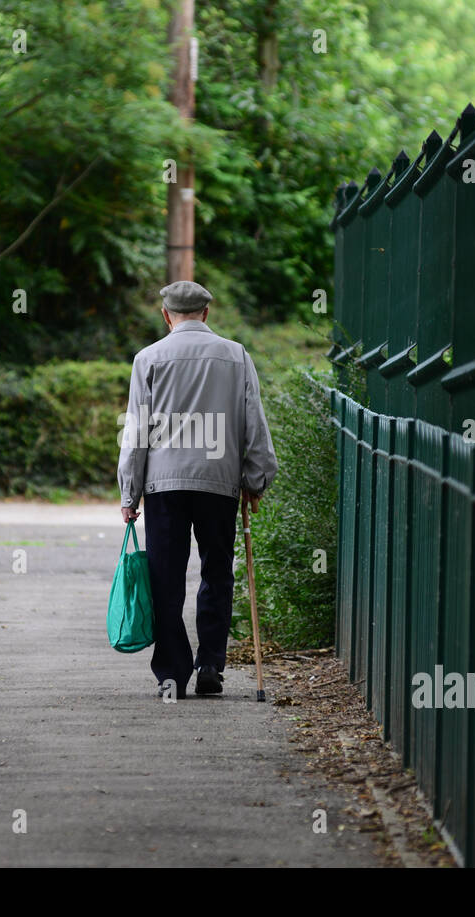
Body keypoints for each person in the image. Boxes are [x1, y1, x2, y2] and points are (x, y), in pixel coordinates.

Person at [117, 280, 278, 699]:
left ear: (166, 315)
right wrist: (256, 478)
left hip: (164, 484)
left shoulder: (148, 358)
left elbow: (136, 432)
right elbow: (253, 423)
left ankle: (172, 673)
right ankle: (210, 664)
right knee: (217, 572)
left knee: (165, 577)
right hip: (218, 483)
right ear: (206, 313)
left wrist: (129, 494)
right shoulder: (236, 356)